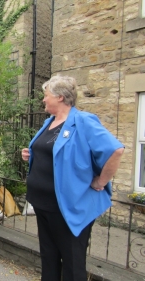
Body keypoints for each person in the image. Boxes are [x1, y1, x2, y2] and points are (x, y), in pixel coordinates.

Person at [21, 75, 124, 281]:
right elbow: (58, 154)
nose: (43, 100)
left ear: (60, 97)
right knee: (49, 259)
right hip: (43, 205)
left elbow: (116, 150)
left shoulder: (83, 121)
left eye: (46, 95)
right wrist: (33, 155)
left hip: (68, 208)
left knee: (72, 263)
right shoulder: (50, 122)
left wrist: (100, 182)